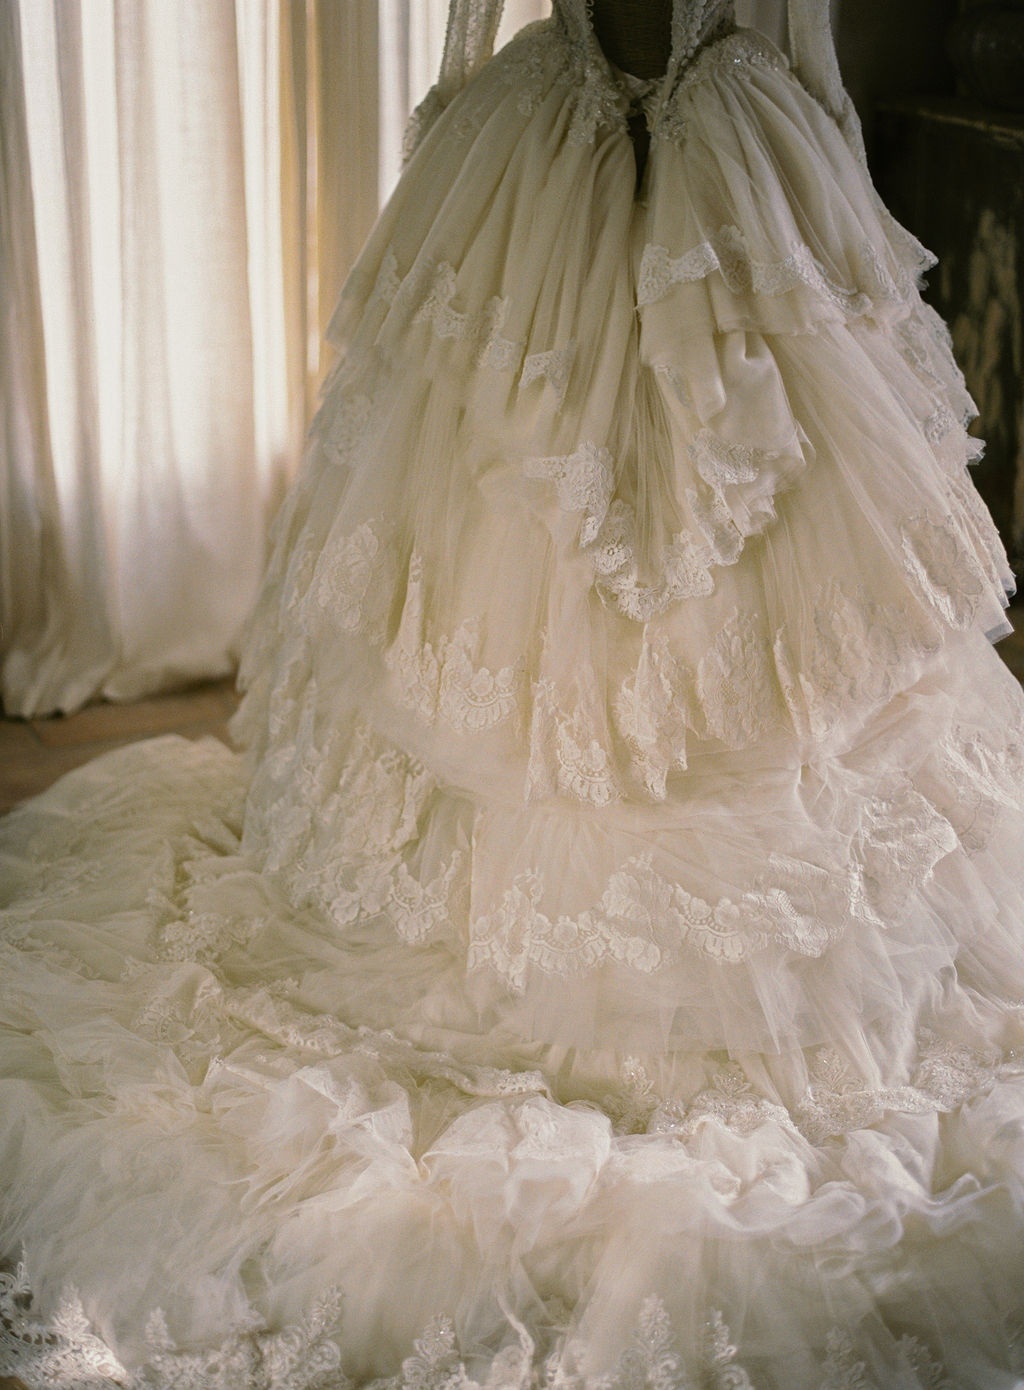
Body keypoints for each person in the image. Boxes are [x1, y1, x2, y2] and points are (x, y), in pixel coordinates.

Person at [3, 1, 1024, 1385]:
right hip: (612, 148)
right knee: (524, 541)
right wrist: (812, 135)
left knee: (728, 584)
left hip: (652, 152)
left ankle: (696, 968)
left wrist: (471, 113)